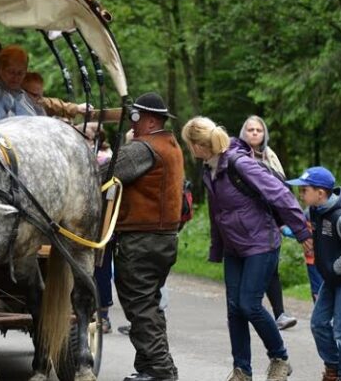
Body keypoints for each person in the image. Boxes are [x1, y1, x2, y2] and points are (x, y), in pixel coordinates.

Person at [181, 116, 312, 381]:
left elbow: (280, 193)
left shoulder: (239, 163)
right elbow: (218, 213)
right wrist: (217, 249)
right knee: (234, 309)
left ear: (197, 145)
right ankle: (242, 370)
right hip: (235, 248)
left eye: (189, 144)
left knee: (249, 304)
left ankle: (280, 359)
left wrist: (301, 231)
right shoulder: (210, 169)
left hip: (261, 242)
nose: (190, 150)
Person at [107, 93, 182, 381]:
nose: (132, 123)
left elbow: (106, 174)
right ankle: (148, 367)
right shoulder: (170, 144)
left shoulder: (142, 148)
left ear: (149, 120)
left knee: (139, 306)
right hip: (163, 238)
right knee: (148, 304)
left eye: (135, 118)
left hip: (141, 239)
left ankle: (162, 370)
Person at [286, 167, 341, 381]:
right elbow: (297, 225)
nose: (301, 194)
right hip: (331, 280)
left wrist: (336, 267)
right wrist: (282, 228)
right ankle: (333, 367)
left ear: (320, 193)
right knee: (318, 323)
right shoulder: (314, 211)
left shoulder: (340, 217)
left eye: (305, 190)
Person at [239, 115, 298, 330]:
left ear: (264, 134)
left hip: (269, 223)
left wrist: (286, 221)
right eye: (250, 129)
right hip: (245, 224)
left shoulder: (271, 158)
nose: (255, 133)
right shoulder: (237, 158)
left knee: (271, 268)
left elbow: (281, 193)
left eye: (259, 130)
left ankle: (279, 313)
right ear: (243, 133)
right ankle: (243, 310)